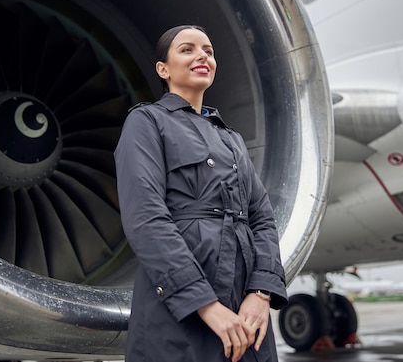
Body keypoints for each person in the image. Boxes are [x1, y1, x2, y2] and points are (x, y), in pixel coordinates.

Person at [114, 25, 288, 362]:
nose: (202, 56)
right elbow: (146, 218)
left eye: (208, 50)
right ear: (163, 69)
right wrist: (205, 304)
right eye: (187, 49)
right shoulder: (147, 122)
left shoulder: (232, 139)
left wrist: (261, 293)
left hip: (245, 310)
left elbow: (263, 220)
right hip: (179, 308)